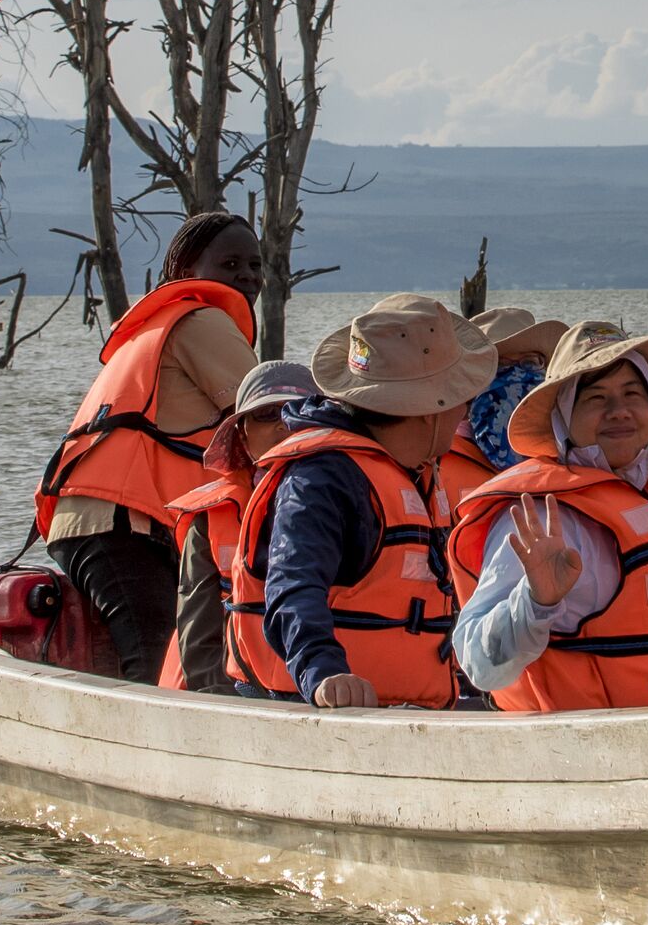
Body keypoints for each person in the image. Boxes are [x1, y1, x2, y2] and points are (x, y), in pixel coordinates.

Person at [445, 319, 648, 711]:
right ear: (563, 418)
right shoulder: (543, 517)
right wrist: (535, 601)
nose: (619, 412)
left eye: (633, 393)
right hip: (592, 755)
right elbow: (478, 663)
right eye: (596, 398)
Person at [226, 293, 493, 709]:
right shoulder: (323, 477)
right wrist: (323, 671)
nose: (465, 410)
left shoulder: (411, 469)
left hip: (405, 706)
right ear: (431, 409)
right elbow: (292, 586)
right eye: (462, 398)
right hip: (313, 706)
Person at [33, 212, 263, 681]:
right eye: (230, 263)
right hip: (119, 524)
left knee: (177, 655)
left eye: (256, 266)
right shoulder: (202, 319)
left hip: (98, 521)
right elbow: (269, 412)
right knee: (156, 660)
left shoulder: (160, 322)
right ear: (184, 272)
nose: (247, 276)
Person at [161, 360, 312, 692]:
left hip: (323, 685)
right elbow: (199, 634)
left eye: (296, 411)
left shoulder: (355, 499)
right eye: (266, 415)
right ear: (242, 436)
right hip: (234, 689)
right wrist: (223, 705)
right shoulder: (211, 518)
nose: (283, 425)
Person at [439, 310, 567, 515]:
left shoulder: (565, 450)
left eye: (530, 362)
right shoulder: (436, 458)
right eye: (501, 364)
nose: (516, 375)